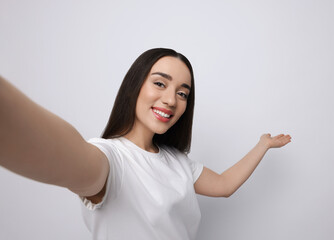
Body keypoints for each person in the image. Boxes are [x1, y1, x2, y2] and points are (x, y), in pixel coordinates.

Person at [0, 48, 291, 240]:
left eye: (183, 93)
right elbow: (61, 153)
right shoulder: (111, 159)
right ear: (135, 86)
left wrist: (262, 145)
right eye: (160, 84)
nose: (171, 100)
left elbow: (225, 184)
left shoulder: (177, 161)